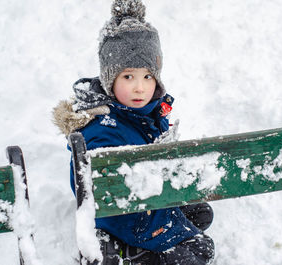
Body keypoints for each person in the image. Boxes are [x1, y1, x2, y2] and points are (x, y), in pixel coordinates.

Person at [53, 0, 214, 264]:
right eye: (128, 77)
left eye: (147, 76)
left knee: (201, 214)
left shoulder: (146, 112)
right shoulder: (102, 129)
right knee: (200, 249)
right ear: (109, 79)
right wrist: (165, 224)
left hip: (146, 199)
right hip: (126, 214)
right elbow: (106, 194)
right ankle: (132, 253)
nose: (140, 87)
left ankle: (123, 246)